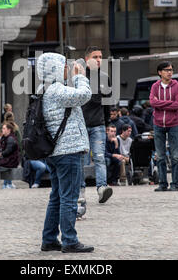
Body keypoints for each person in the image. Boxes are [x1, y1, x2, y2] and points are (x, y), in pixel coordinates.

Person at [37, 52, 94, 253]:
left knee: (57, 196)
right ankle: (70, 240)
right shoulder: (56, 89)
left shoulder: (43, 90)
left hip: (55, 152)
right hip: (68, 150)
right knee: (69, 197)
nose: (67, 69)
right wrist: (80, 76)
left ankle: (49, 238)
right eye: (63, 66)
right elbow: (84, 95)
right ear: (54, 69)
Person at [80, 46, 113, 205]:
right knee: (82, 160)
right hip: (81, 125)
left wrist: (108, 123)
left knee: (100, 158)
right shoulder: (79, 77)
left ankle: (102, 188)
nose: (99, 60)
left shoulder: (105, 77)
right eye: (95, 57)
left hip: (98, 124)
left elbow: (107, 103)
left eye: (100, 57)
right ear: (87, 59)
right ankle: (80, 190)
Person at [150, 61, 178, 192]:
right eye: (167, 70)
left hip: (174, 124)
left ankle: (175, 184)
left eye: (171, 70)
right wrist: (169, 103)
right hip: (158, 124)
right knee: (160, 155)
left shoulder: (177, 86)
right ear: (160, 72)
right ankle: (162, 184)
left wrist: (160, 103)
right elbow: (152, 102)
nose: (170, 72)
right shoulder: (155, 86)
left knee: (175, 155)